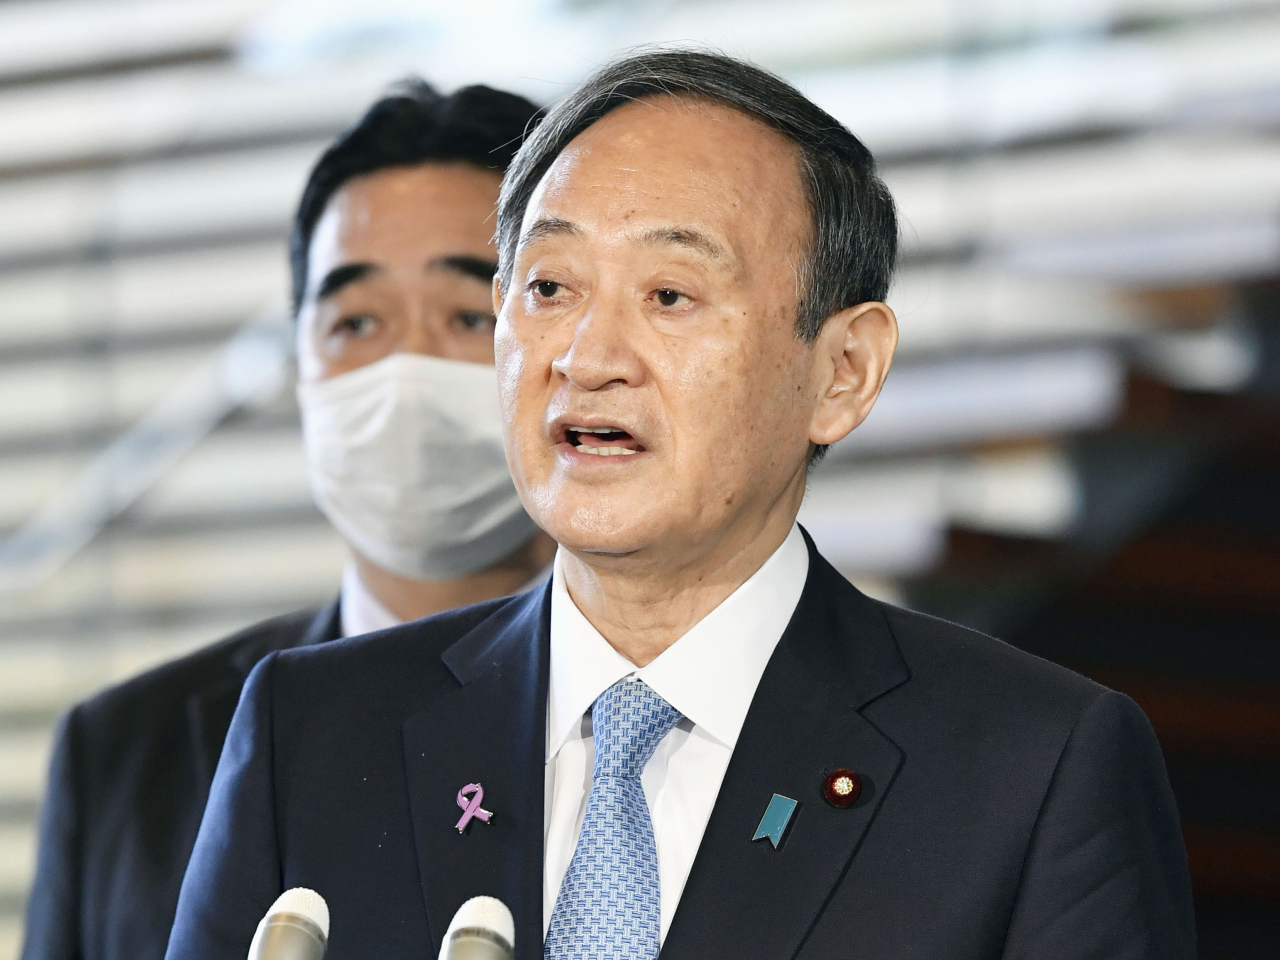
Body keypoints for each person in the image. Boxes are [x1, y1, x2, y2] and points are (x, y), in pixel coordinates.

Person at [165, 51, 1195, 960]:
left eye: (668, 295)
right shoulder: (313, 734)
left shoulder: (1034, 768)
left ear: (842, 370)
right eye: (549, 288)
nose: (586, 359)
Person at [21, 80, 553, 960]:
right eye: (356, 321)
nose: (403, 371)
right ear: (301, 363)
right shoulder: (125, 752)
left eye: (469, 316)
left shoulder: (666, 715)